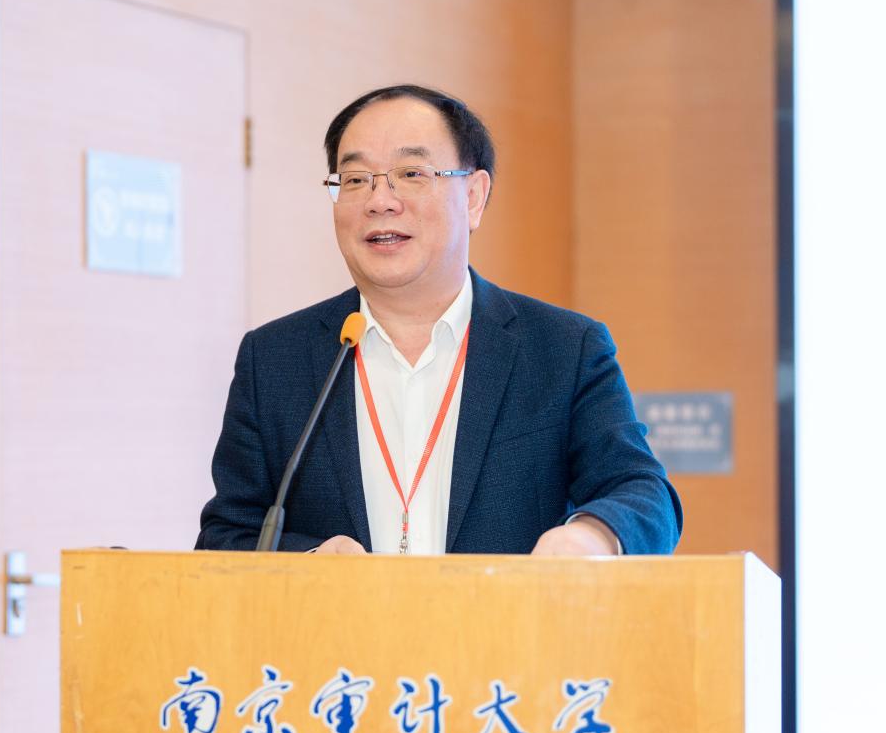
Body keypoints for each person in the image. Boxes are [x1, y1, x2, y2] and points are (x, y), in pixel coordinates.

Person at [197, 85, 681, 556]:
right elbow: (228, 533)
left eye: (411, 173)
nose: (380, 201)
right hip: (336, 615)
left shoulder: (563, 348)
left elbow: (643, 493)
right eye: (356, 179)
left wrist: (590, 537)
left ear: (473, 196)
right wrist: (311, 559)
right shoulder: (274, 360)